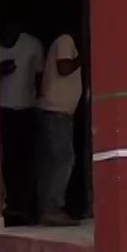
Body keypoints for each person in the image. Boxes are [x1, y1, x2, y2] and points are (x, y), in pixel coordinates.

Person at [0, 20, 44, 226]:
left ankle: (27, 208)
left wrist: (41, 104)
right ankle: (11, 207)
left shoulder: (32, 45)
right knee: (6, 162)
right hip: (2, 111)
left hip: (27, 110)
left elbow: (41, 76)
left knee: (27, 161)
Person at [35, 32, 85, 225]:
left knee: (51, 161)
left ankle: (46, 209)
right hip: (56, 111)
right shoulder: (66, 40)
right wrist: (85, 57)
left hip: (54, 111)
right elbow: (64, 67)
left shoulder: (61, 41)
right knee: (63, 159)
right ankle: (52, 208)